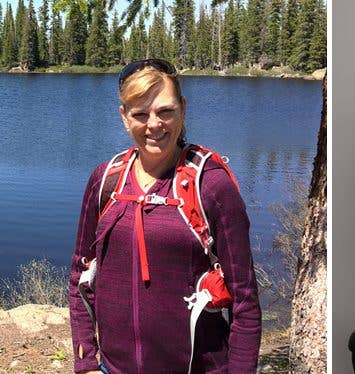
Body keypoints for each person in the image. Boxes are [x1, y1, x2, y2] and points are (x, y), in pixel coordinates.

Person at [69, 59, 261, 373]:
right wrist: (86, 361)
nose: (153, 125)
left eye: (165, 111)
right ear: (124, 117)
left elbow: (245, 300)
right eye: (140, 114)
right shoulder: (106, 181)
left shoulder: (211, 185)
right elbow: (80, 275)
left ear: (183, 109)